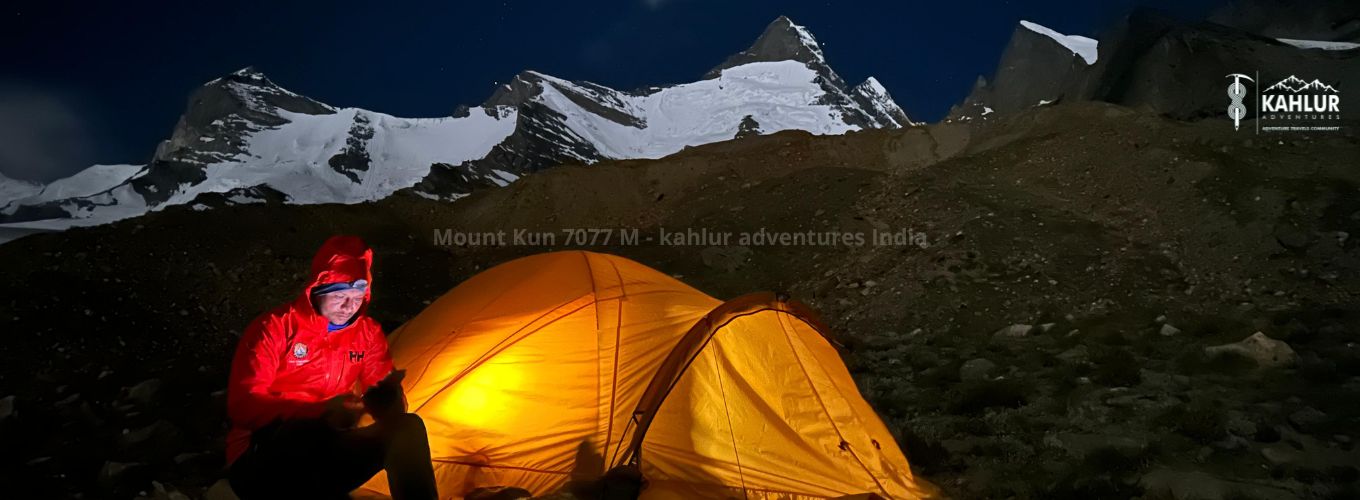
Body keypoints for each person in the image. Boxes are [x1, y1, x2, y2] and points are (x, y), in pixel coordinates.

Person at [224, 235, 437, 499]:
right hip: (259, 459)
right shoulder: (275, 328)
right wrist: (319, 411)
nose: (349, 305)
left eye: (357, 296)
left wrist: (385, 397)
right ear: (317, 290)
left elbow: (384, 402)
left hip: (328, 450)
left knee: (407, 428)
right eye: (339, 295)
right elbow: (244, 406)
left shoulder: (367, 334)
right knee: (305, 432)